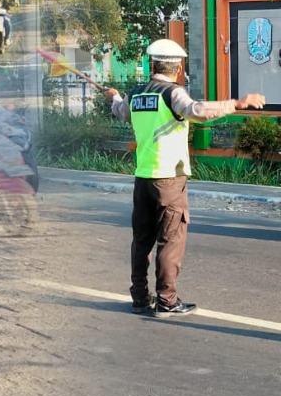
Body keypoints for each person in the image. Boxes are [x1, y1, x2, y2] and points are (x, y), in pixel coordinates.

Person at [105, 39, 264, 317]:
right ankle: (167, 300)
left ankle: (140, 298)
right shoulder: (172, 93)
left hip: (142, 178)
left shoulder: (137, 94)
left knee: (142, 241)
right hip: (169, 180)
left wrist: (114, 97)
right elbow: (197, 111)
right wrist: (237, 103)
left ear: (151, 64)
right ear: (178, 69)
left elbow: (120, 111)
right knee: (170, 240)